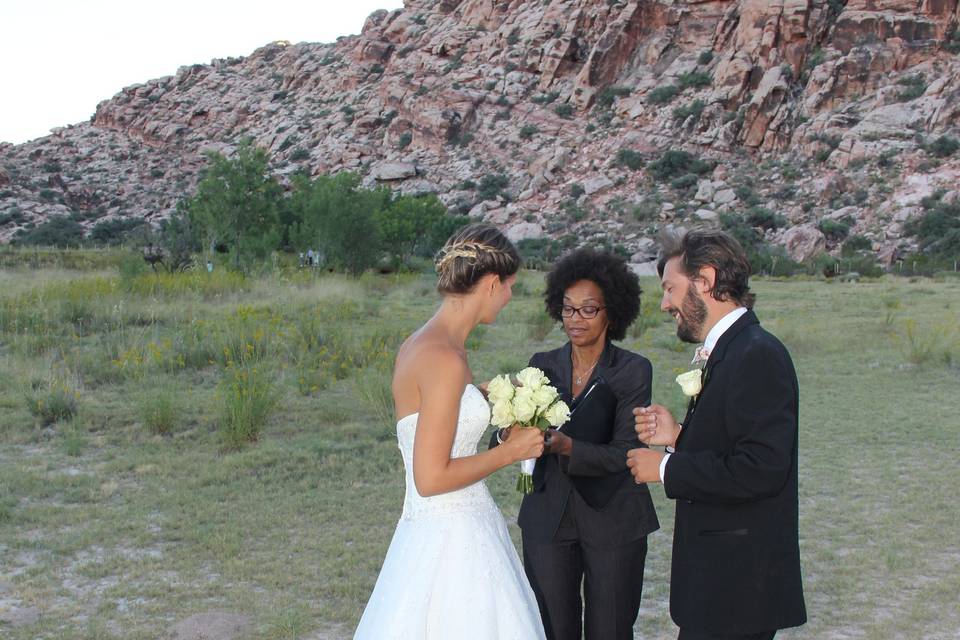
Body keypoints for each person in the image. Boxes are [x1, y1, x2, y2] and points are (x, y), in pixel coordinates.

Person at [354, 223, 547, 640]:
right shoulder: (445, 358)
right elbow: (431, 478)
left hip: (431, 531)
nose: (511, 297)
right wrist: (510, 452)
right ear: (492, 284)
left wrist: (484, 397)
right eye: (511, 286)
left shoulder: (420, 344)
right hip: (453, 537)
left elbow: (433, 419)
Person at [627, 229, 806, 640]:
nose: (664, 303)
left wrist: (667, 468)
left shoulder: (756, 354)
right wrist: (678, 436)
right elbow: (734, 445)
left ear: (705, 280)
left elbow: (761, 469)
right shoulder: (734, 349)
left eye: (671, 288)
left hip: (738, 587)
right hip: (723, 586)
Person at [493, 248, 660, 640]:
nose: (575, 319)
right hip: (547, 519)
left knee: (611, 630)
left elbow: (626, 452)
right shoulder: (542, 364)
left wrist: (568, 447)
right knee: (552, 629)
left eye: (588, 310)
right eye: (568, 309)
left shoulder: (633, 370)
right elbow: (504, 432)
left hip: (614, 519)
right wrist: (507, 434)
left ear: (612, 312)